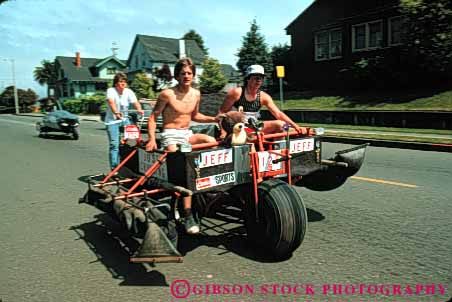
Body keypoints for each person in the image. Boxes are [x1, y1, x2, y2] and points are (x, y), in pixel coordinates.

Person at [146, 58, 217, 234]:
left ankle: (207, 185)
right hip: (170, 135)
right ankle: (187, 213)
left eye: (189, 73)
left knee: (210, 142)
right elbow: (153, 117)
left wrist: (214, 119)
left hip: (187, 134)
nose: (186, 76)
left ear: (193, 75)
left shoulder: (196, 94)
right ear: (177, 76)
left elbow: (196, 115)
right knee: (178, 159)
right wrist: (152, 139)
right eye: (183, 73)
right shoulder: (167, 94)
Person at [218, 64, 309, 135]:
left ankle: (279, 153)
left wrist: (296, 127)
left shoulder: (264, 96)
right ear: (248, 79)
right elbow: (222, 113)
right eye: (255, 77)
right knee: (249, 134)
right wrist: (223, 131)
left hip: (255, 126)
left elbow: (278, 114)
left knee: (283, 126)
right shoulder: (236, 93)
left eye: (261, 78)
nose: (258, 80)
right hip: (238, 127)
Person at [105, 72, 143, 171]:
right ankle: (114, 169)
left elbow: (135, 102)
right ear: (116, 83)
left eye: (124, 82)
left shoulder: (128, 92)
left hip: (125, 119)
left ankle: (128, 166)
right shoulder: (111, 91)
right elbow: (111, 102)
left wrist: (139, 109)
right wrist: (116, 113)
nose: (123, 84)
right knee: (114, 145)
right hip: (112, 121)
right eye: (120, 82)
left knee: (133, 139)